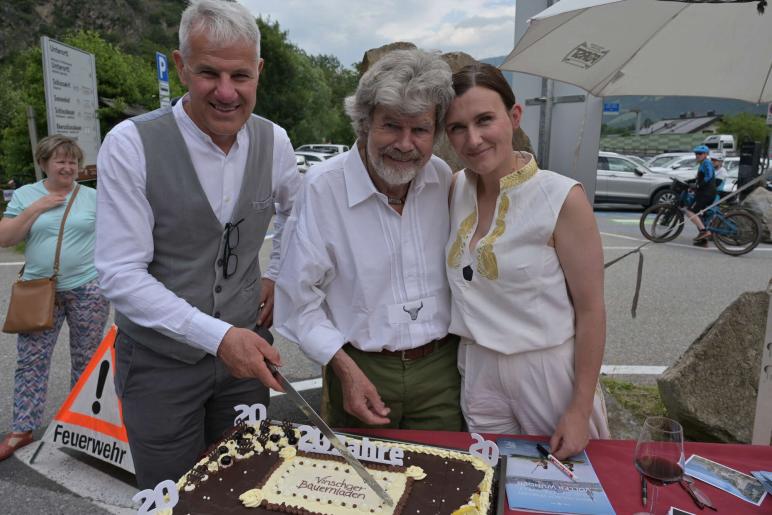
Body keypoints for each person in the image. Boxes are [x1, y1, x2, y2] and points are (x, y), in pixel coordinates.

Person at [95, 0, 298, 488]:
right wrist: (218, 336)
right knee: (172, 494)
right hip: (159, 366)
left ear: (259, 72)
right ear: (181, 66)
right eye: (209, 73)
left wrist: (277, 274)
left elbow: (299, 212)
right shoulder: (130, 144)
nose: (226, 92)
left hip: (244, 360)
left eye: (240, 76)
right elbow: (120, 274)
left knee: (246, 486)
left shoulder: (277, 143)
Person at [274, 49, 462, 430]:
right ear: (364, 123)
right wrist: (342, 366)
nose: (406, 144)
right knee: (363, 483)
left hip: (442, 370)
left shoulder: (441, 178)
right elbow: (297, 301)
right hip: (360, 367)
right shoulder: (323, 188)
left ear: (436, 133)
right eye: (391, 126)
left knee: (444, 481)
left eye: (420, 130)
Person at [443, 63, 609, 460]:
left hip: (547, 372)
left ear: (514, 116)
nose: (474, 139)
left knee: (564, 491)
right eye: (457, 127)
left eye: (485, 120)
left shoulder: (561, 198)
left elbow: (591, 311)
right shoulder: (454, 189)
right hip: (478, 368)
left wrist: (579, 406)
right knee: (493, 484)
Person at [0, 135, 109, 461]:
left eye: (73, 161)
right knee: (31, 362)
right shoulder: (25, 195)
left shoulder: (92, 197)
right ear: (44, 163)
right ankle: (22, 429)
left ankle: (83, 428)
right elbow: (7, 239)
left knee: (87, 360)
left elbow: (114, 237)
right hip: (39, 290)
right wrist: (37, 208)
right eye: (60, 161)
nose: (68, 167)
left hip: (87, 288)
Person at [686, 145, 717, 245]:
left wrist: (698, 185)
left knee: (690, 212)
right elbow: (700, 178)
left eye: (700, 154)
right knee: (698, 215)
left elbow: (709, 176)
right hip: (705, 193)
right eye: (696, 153)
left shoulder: (706, 162)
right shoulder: (703, 163)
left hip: (706, 193)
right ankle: (703, 240)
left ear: (706, 154)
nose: (697, 155)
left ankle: (704, 231)